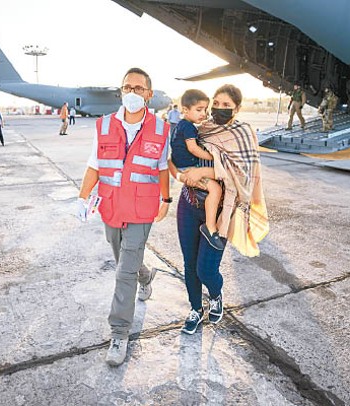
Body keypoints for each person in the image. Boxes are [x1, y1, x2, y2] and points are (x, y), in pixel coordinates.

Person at [75, 67, 170, 366]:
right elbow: (94, 165)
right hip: (112, 207)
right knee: (122, 260)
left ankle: (119, 333)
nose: (132, 93)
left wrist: (166, 199)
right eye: (127, 87)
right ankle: (146, 275)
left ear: (149, 95)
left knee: (122, 273)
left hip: (142, 209)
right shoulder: (103, 126)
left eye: (139, 88)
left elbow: (163, 168)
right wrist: (82, 196)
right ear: (121, 91)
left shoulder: (161, 128)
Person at [173, 84, 268, 335]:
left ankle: (215, 295)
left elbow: (242, 173)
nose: (219, 108)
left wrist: (205, 171)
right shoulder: (200, 127)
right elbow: (177, 157)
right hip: (190, 202)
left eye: (226, 105)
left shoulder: (242, 133)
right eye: (216, 102)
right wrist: (184, 178)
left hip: (220, 210)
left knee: (206, 269)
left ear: (237, 108)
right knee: (190, 264)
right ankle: (195, 309)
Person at [170, 89, 224, 251]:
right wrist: (213, 157)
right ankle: (210, 227)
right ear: (185, 110)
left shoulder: (181, 125)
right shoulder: (189, 128)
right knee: (215, 189)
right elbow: (193, 149)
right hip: (188, 168)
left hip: (182, 165)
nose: (203, 114)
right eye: (199, 110)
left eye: (205, 110)